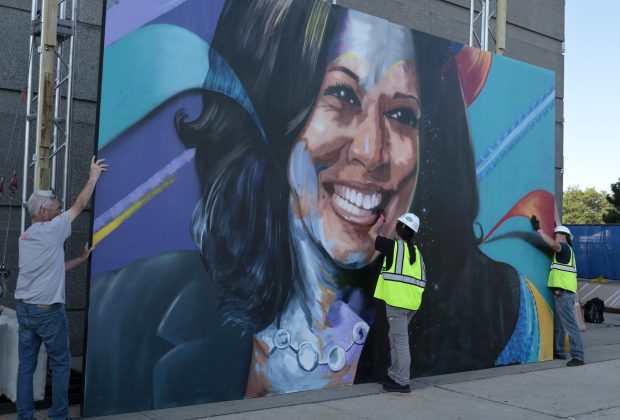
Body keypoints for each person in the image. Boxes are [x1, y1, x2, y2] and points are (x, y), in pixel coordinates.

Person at [84, 0, 540, 414]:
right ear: (277, 110)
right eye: (342, 95)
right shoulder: (123, 308)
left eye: (402, 115)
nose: (372, 150)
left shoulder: (506, 316)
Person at [15, 156, 107, 420]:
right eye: (56, 206)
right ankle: (58, 416)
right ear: (43, 211)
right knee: (61, 363)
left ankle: (25, 417)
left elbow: (53, 268)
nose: (59, 209)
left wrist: (80, 258)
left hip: (25, 311)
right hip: (47, 313)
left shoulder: (27, 236)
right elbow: (80, 204)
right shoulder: (51, 230)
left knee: (26, 367)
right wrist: (93, 176)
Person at [370, 211, 426, 393]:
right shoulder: (416, 253)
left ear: (400, 229)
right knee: (394, 337)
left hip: (397, 302)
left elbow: (372, 236)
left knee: (400, 341)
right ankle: (394, 374)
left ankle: (402, 381)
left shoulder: (393, 247)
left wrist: (379, 222)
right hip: (411, 303)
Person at [531, 217, 584, 366]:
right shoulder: (567, 252)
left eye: (557, 235)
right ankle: (559, 351)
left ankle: (578, 357)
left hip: (564, 294)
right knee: (560, 325)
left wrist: (539, 230)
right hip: (562, 293)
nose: (555, 237)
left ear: (563, 237)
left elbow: (554, 245)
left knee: (570, 326)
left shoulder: (564, 248)